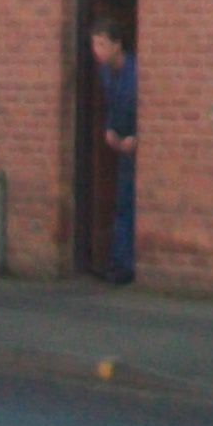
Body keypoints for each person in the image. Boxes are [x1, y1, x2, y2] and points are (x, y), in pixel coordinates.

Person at [89, 22, 138, 284]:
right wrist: (109, 128)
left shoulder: (135, 71)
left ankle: (124, 264)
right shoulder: (105, 72)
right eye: (95, 45)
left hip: (135, 144)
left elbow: (146, 106)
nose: (97, 51)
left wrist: (138, 137)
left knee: (128, 202)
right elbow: (111, 104)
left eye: (102, 44)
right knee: (121, 202)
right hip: (120, 143)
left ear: (117, 45)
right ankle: (119, 263)